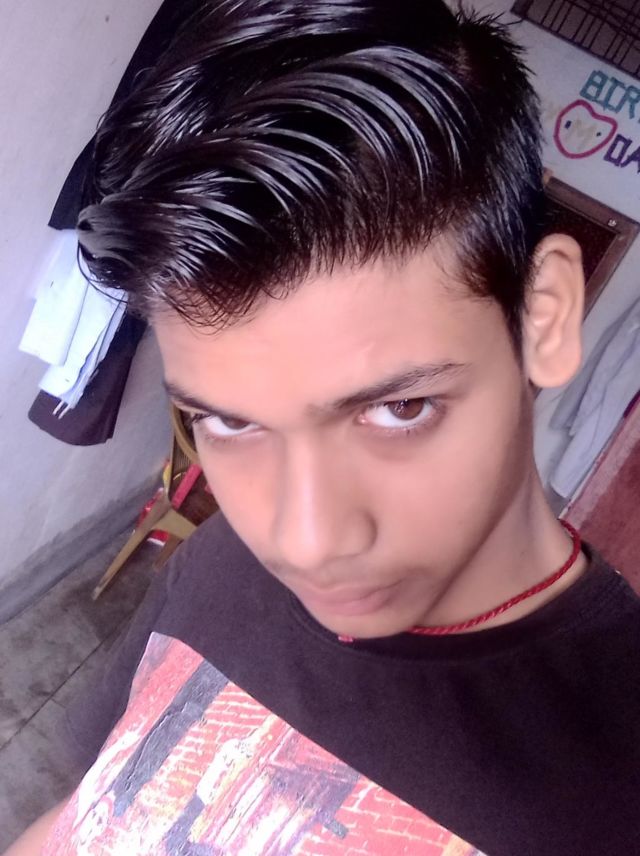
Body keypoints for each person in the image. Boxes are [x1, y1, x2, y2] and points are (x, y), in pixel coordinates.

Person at [7, 1, 640, 854]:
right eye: (228, 421)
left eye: (399, 409)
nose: (305, 543)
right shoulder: (219, 564)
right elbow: (86, 816)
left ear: (544, 317)